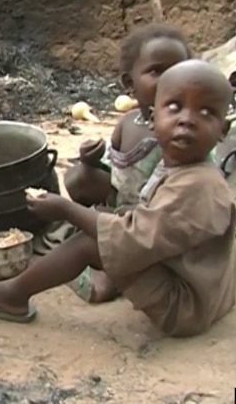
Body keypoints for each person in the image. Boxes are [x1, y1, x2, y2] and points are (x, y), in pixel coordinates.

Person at [0, 59, 236, 338]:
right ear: (153, 119)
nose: (187, 119)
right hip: (201, 290)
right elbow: (152, 223)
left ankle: (13, 296)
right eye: (175, 107)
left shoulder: (199, 186)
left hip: (186, 306)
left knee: (91, 243)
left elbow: (131, 239)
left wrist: (67, 210)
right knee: (104, 220)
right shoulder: (184, 168)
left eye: (206, 112)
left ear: (223, 130)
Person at [48, 24, 192, 303]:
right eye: (157, 71)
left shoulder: (184, 131)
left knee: (112, 242)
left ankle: (109, 280)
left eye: (179, 70)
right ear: (129, 84)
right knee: (78, 176)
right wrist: (93, 159)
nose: (171, 80)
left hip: (156, 222)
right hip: (123, 205)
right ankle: (95, 256)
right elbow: (116, 168)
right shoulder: (128, 123)